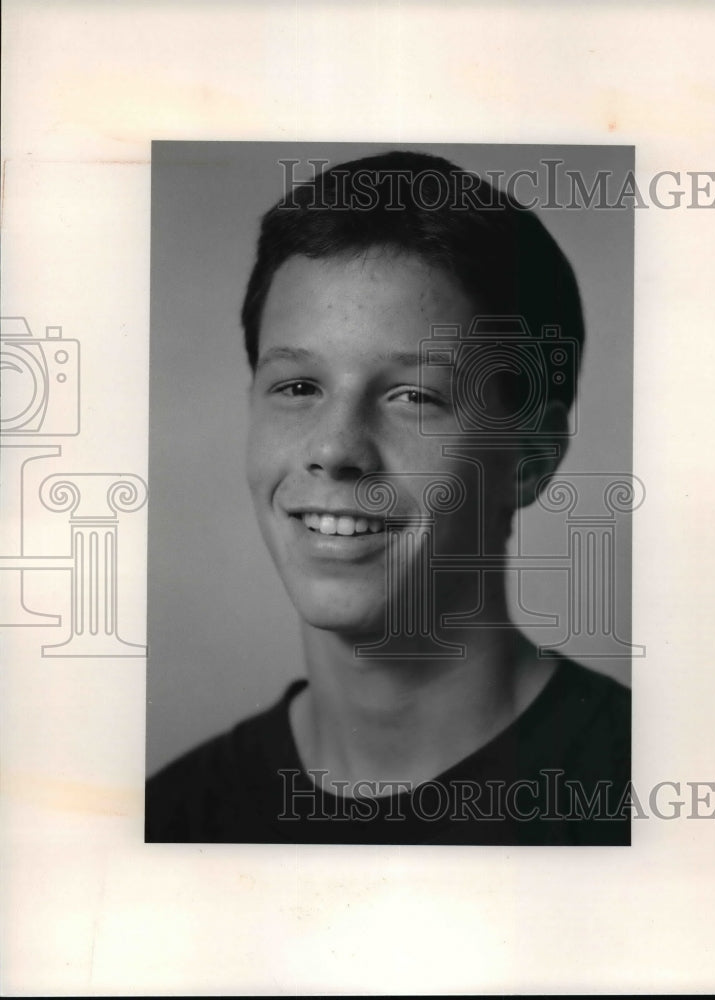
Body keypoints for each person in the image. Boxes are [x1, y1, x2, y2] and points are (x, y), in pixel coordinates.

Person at [145, 150, 631, 845]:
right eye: (298, 387)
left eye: (415, 396)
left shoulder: (647, 802)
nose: (336, 448)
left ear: (530, 457)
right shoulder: (171, 823)